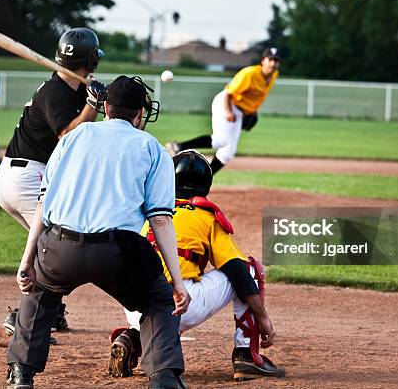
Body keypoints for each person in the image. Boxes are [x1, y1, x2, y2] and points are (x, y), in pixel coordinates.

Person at [6, 75, 190, 389]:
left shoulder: (73, 137)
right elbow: (160, 219)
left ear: (105, 107)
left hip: (59, 247)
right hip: (118, 251)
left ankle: (21, 373)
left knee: (41, 291)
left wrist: (27, 261)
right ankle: (162, 377)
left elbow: (43, 202)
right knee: (159, 300)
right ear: (139, 115)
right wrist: (177, 282)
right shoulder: (151, 147)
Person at [108, 150, 285, 382]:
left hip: (134, 305)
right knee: (249, 269)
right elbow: (237, 270)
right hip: (181, 306)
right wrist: (263, 317)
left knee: (156, 289)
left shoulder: (150, 211)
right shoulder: (205, 215)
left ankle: (132, 337)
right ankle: (246, 356)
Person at [0, 28, 107, 336]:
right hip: (26, 178)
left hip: (22, 176)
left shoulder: (68, 88)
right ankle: (24, 316)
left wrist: (93, 99)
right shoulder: (55, 91)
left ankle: (52, 311)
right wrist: (92, 105)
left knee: (52, 245)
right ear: (90, 60)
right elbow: (68, 135)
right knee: (58, 245)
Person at [166, 47, 281, 174]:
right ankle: (178, 147)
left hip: (239, 111)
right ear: (263, 61)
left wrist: (252, 110)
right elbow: (228, 94)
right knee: (220, 140)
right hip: (226, 104)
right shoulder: (249, 74)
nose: (273, 63)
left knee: (228, 152)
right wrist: (228, 112)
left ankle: (205, 180)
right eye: (270, 59)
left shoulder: (274, 75)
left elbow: (257, 96)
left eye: (276, 60)